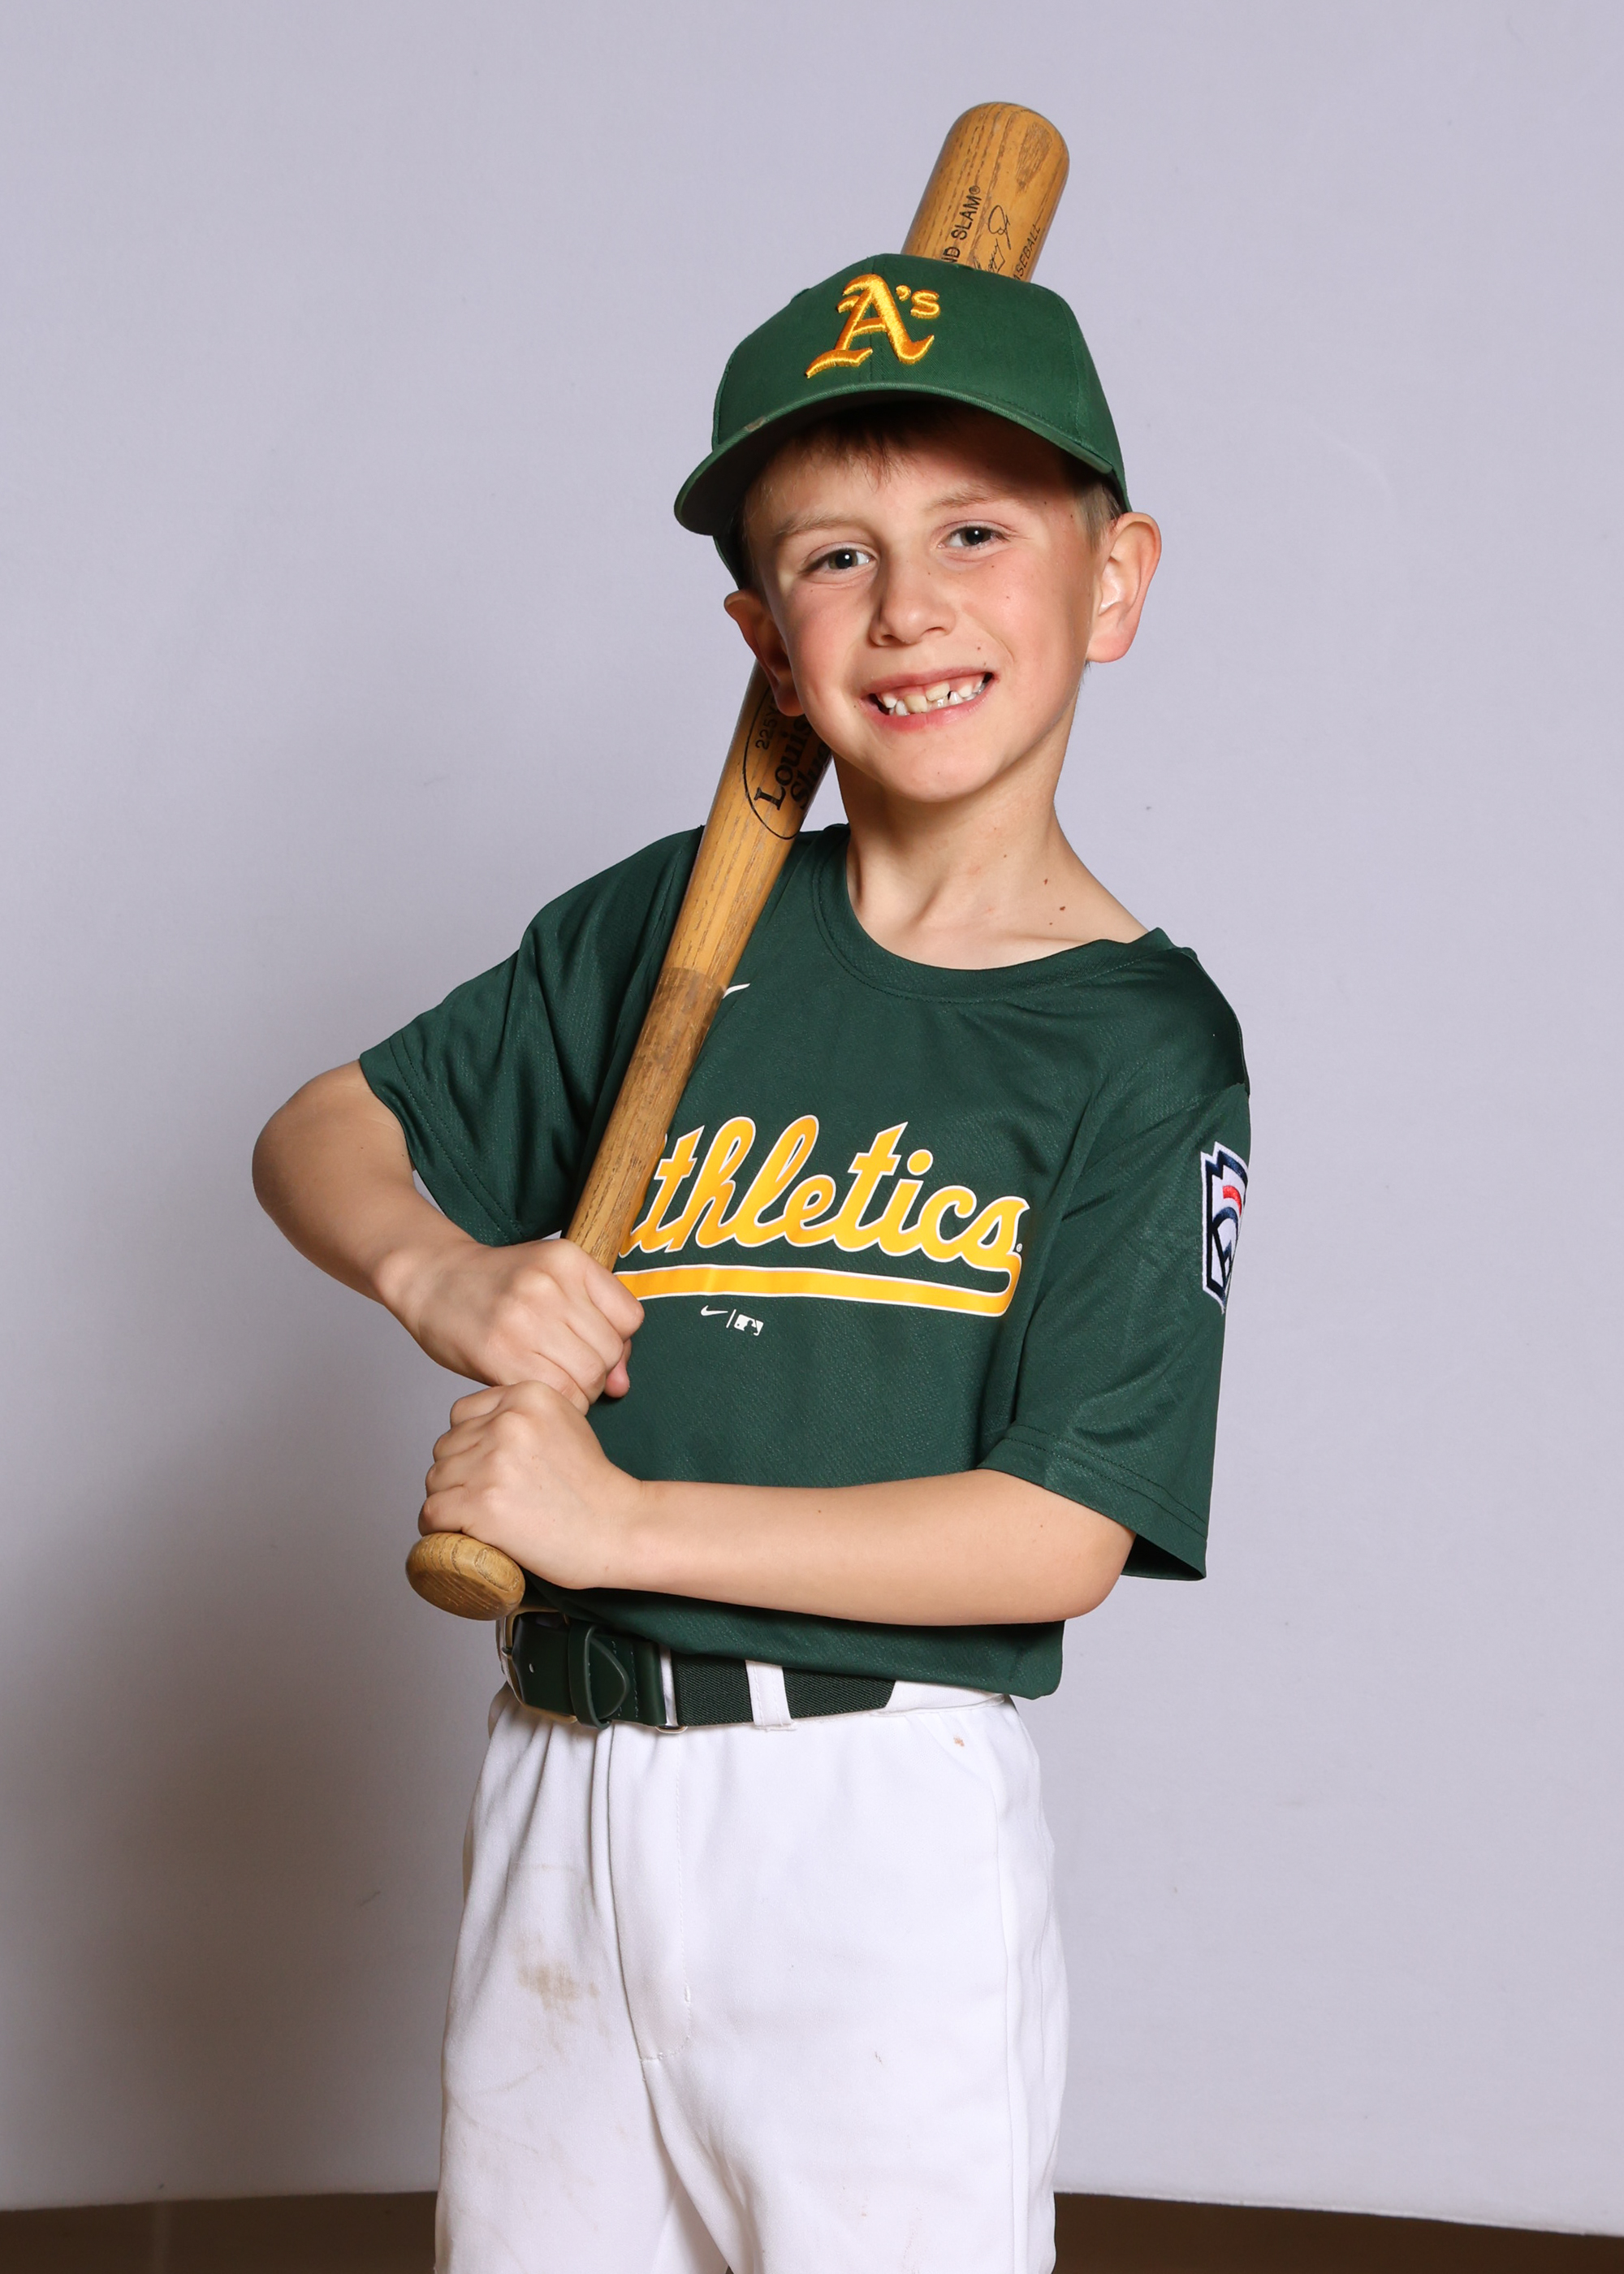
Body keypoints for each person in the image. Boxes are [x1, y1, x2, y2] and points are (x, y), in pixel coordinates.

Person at [253, 254, 1250, 2274]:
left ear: (1115, 578)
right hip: (560, 1778)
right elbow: (318, 1133)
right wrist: (442, 1274)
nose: (907, 606)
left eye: (975, 532)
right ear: (764, 649)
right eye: (832, 556)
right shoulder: (666, 931)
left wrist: (611, 1519)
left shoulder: (1138, 1041)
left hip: (867, 1812)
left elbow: (1053, 1533)